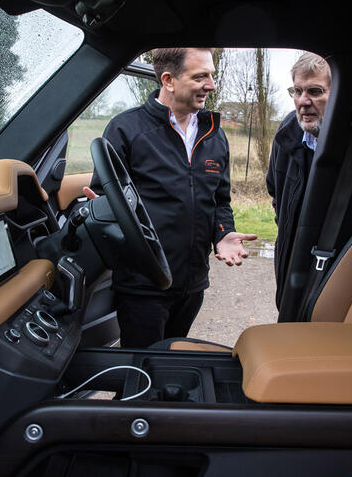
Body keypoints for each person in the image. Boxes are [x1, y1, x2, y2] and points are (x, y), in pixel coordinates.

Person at [87, 47, 257, 349]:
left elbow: (220, 200)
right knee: (142, 368)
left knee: (174, 360)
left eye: (212, 75)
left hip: (193, 283)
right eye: (200, 76)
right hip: (144, 285)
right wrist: (100, 211)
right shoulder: (126, 129)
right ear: (168, 79)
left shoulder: (214, 133)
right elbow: (104, 196)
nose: (211, 85)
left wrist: (224, 233)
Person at [266, 52, 331, 308]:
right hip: (291, 264)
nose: (303, 102)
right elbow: (275, 192)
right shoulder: (286, 134)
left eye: (315, 91)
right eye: (297, 90)